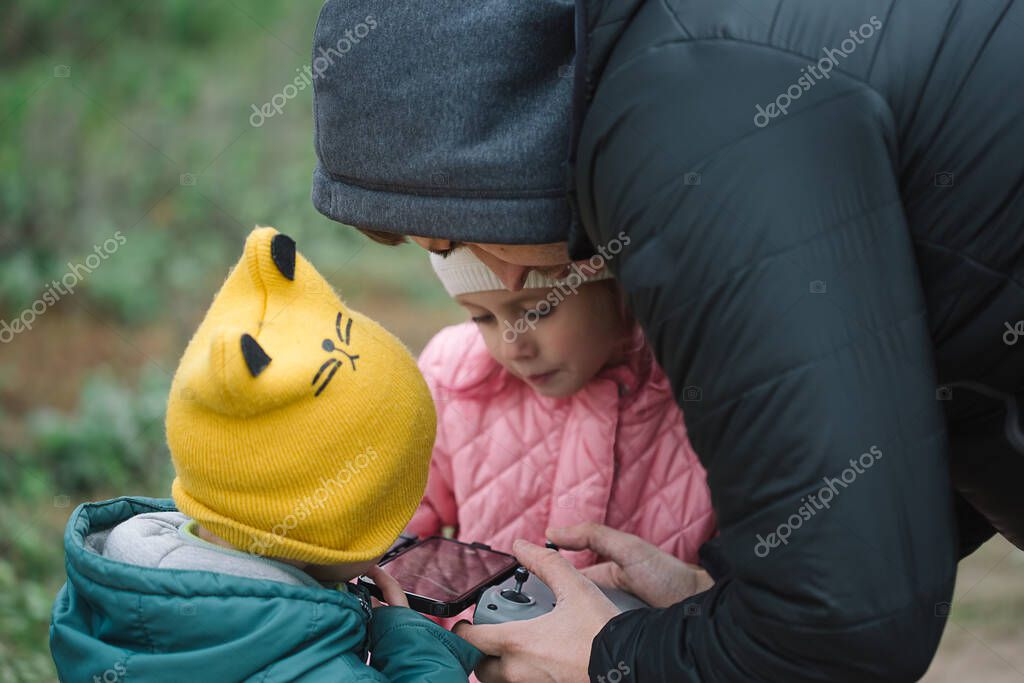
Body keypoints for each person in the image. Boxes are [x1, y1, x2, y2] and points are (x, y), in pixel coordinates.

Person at [309, 1, 1024, 681]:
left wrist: (611, 656)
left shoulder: (696, 125)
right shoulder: (698, 63)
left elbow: (842, 617)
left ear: (502, 151)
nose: (470, 268)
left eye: (449, 232)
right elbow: (877, 496)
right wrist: (721, 596)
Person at [49, 227, 481, 682]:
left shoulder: (106, 587)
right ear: (334, 528)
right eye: (390, 506)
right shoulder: (321, 672)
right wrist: (416, 650)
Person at [408, 248, 715, 574]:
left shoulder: (703, 390)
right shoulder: (450, 375)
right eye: (482, 317)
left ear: (618, 290)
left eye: (537, 311)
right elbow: (402, 530)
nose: (512, 347)